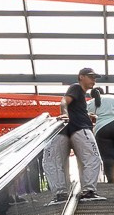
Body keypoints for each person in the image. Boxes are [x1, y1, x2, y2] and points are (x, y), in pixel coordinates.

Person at [42, 66, 103, 202]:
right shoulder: (76, 87)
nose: (94, 80)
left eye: (95, 78)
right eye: (91, 77)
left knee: (56, 162)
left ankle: (61, 194)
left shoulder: (81, 95)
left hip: (67, 129)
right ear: (81, 76)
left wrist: (87, 115)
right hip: (79, 128)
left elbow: (73, 108)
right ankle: (88, 191)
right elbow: (64, 101)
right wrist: (64, 114)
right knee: (92, 157)